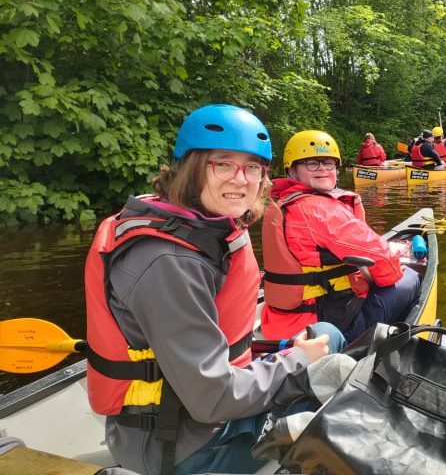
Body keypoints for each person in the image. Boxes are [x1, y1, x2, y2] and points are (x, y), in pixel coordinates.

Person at [84, 105, 345, 475]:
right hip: (183, 449)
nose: (240, 180)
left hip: (184, 417)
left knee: (327, 335)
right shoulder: (168, 261)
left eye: (252, 167)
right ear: (190, 167)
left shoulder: (189, 224)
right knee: (330, 367)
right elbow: (214, 397)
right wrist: (300, 361)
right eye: (222, 164)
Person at [261, 130, 422, 343]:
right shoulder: (319, 208)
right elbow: (383, 261)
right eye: (311, 163)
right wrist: (391, 273)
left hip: (281, 323)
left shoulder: (281, 202)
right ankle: (388, 346)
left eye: (328, 163)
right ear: (292, 170)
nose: (322, 169)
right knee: (411, 278)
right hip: (323, 326)